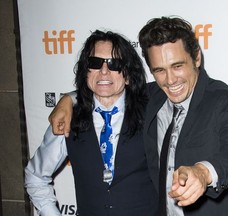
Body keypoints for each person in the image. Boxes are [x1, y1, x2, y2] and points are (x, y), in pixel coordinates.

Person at [48, 17, 228, 215]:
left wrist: (203, 173)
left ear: (196, 57)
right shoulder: (153, 96)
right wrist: (68, 100)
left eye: (177, 66)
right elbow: (108, 89)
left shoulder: (226, 101)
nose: (170, 80)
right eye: (159, 70)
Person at [24, 29, 158, 216]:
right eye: (95, 63)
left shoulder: (153, 110)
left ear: (127, 74)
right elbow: (35, 176)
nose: (104, 71)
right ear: (86, 71)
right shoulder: (67, 119)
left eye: (114, 64)